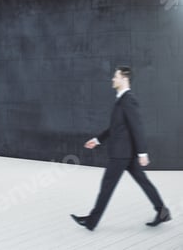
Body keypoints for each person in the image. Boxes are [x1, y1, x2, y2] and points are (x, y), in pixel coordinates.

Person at [71, 66, 171, 231]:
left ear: (124, 79)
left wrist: (142, 152)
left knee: (107, 186)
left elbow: (137, 127)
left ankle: (91, 221)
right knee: (143, 182)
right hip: (126, 153)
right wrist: (97, 140)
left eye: (115, 76)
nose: (113, 79)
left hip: (121, 154)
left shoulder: (128, 100)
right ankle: (162, 212)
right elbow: (116, 128)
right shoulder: (121, 100)